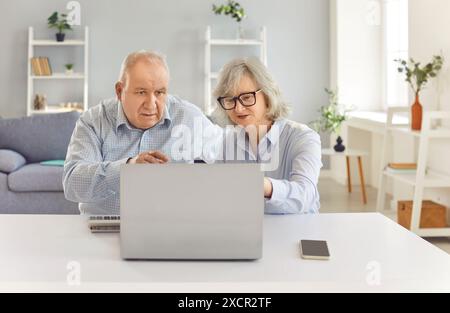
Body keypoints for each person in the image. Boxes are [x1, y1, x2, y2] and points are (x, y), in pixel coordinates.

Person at [63, 50, 221, 215]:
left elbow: (227, 156)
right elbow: (73, 184)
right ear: (119, 91)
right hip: (106, 227)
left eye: (159, 93)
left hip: (171, 228)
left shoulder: (188, 116)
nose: (151, 104)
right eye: (141, 92)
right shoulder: (94, 121)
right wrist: (127, 169)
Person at [213, 57, 322, 214]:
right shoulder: (229, 141)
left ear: (268, 96)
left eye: (247, 97)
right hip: (249, 232)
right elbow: (218, 192)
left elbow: (305, 195)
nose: (238, 108)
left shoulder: (303, 138)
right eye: (230, 99)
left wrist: (261, 185)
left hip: (297, 231)